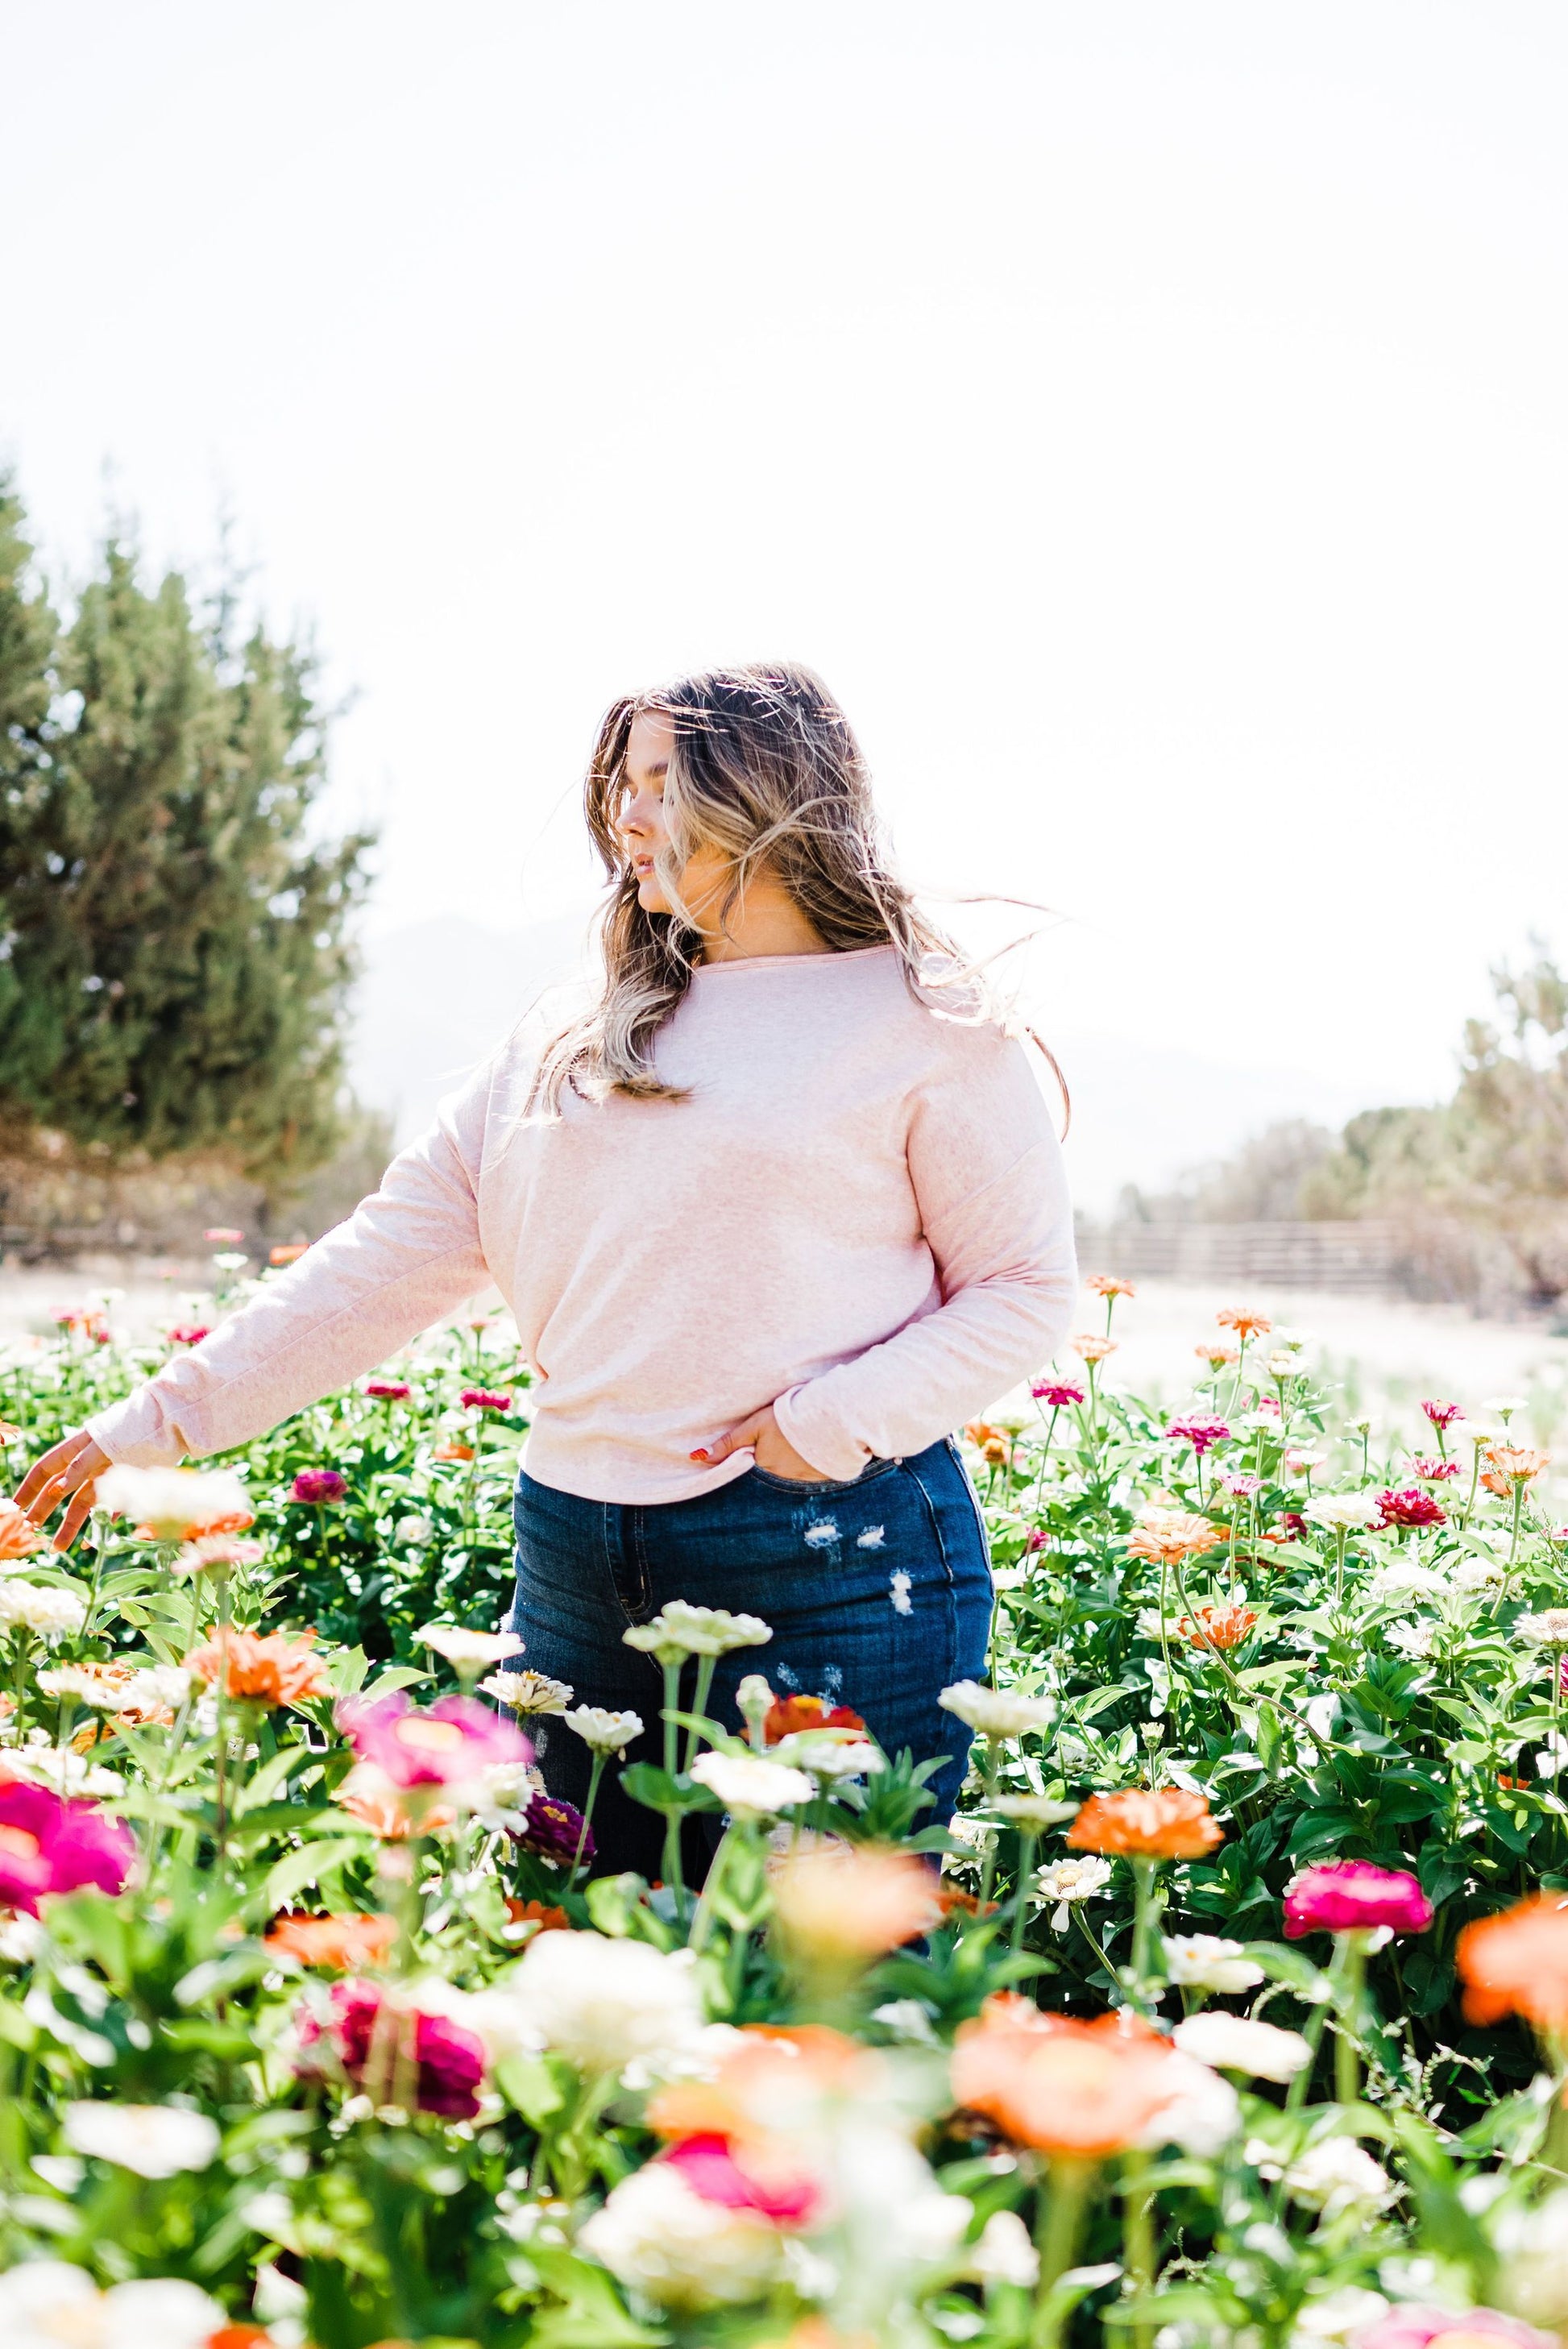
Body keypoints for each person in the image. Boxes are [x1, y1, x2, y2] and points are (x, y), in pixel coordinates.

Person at [15, 663, 1076, 1876]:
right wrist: (154, 1426)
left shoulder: (927, 1025)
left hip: (829, 1556)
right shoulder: (570, 1030)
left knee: (814, 1993)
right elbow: (381, 1261)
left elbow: (1023, 1288)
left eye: (659, 783)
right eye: (617, 785)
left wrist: (824, 1427)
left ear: (773, 791)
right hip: (574, 1557)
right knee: (580, 1951)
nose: (623, 817)